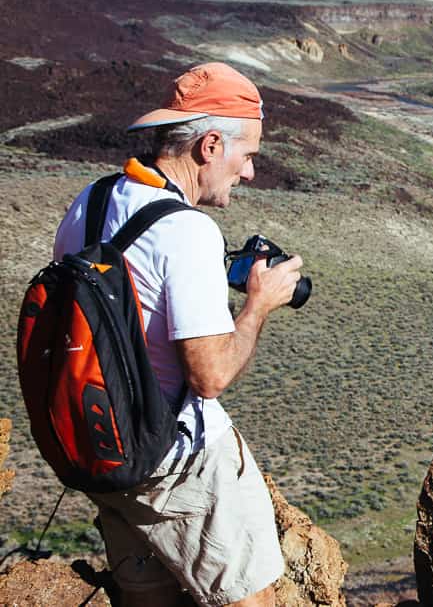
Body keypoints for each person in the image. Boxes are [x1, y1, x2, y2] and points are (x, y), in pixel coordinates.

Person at [52, 62, 303, 607]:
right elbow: (209, 375)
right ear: (210, 144)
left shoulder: (89, 203)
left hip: (107, 453)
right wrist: (258, 305)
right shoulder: (188, 231)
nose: (251, 172)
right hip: (179, 468)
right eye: (248, 155)